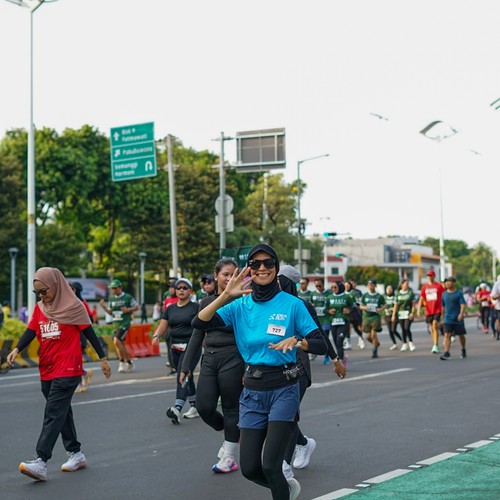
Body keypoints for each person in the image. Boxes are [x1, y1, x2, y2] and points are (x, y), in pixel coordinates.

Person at [192, 243, 328, 500]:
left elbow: (320, 343)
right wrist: (226, 295)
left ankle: (281, 490)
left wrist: (299, 341)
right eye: (255, 264)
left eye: (268, 263)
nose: (262, 268)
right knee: (250, 469)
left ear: (276, 268)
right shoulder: (240, 306)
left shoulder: (292, 304)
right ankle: (285, 490)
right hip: (253, 391)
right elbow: (199, 322)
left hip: (284, 388)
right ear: (249, 270)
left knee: (271, 466)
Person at [6, 267, 111, 482]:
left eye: (44, 291)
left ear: (55, 286)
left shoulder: (74, 306)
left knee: (53, 411)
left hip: (68, 367)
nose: (41, 296)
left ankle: (41, 461)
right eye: (37, 293)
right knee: (61, 411)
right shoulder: (40, 308)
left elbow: (89, 331)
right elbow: (31, 330)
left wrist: (103, 358)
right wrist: (17, 349)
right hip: (47, 367)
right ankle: (76, 454)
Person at [278, 265, 345, 481]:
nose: (274, 282)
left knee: (288, 415)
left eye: (279, 279)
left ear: (288, 282)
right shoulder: (270, 304)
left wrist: (335, 360)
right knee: (280, 415)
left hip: (299, 366)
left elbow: (320, 337)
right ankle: (304, 444)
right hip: (276, 367)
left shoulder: (302, 305)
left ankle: (284, 465)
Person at [180, 258, 244, 473]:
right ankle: (231, 436)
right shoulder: (206, 302)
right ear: (216, 276)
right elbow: (197, 333)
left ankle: (229, 456)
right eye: (225, 274)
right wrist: (186, 365)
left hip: (234, 357)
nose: (229, 278)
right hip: (209, 359)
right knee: (204, 407)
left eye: (233, 274)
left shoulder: (244, 300)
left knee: (230, 407)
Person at [153, 278, 201, 423]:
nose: (181, 290)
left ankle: (177, 408)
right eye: (178, 287)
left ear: (190, 291)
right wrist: (156, 335)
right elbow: (163, 325)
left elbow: (203, 324)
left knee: (182, 373)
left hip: (191, 347)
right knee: (187, 376)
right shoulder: (170, 309)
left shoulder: (196, 307)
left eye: (185, 288)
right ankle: (195, 406)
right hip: (175, 347)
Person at [99, 279, 139, 373]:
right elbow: (110, 312)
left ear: (120, 287)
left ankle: (121, 362)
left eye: (115, 288)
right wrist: (104, 307)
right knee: (121, 344)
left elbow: (136, 307)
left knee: (116, 340)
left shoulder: (128, 297)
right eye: (112, 288)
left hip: (124, 323)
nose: (113, 290)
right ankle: (129, 362)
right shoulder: (112, 299)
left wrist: (128, 310)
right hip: (116, 324)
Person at [69, 281, 94, 393]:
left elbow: (90, 320)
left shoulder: (82, 304)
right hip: (70, 336)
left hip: (80, 335)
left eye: (71, 289)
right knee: (72, 360)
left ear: (75, 290)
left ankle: (78, 382)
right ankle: (84, 373)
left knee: (76, 359)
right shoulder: (66, 303)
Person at [326, 281, 353, 367]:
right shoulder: (329, 297)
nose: (333, 289)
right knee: (336, 343)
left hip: (344, 322)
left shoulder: (346, 297)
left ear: (340, 287)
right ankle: (343, 357)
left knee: (339, 341)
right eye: (332, 287)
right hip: (333, 322)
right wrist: (329, 311)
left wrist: (349, 310)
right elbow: (325, 308)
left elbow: (354, 306)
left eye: (335, 287)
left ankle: (340, 362)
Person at [417, 269, 445, 354]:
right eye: (428, 276)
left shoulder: (438, 286)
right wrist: (418, 309)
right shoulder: (424, 287)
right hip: (428, 310)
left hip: (437, 309)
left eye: (431, 275)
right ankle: (434, 343)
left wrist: (444, 308)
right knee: (431, 328)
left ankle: (436, 345)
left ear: (434, 276)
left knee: (435, 325)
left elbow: (443, 297)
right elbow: (421, 298)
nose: (429, 277)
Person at [440, 276, 467, 360]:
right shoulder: (444, 294)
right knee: (447, 334)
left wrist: (461, 314)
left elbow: (462, 304)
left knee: (461, 336)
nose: (447, 283)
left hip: (457, 318)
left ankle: (463, 349)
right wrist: (442, 318)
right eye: (446, 282)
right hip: (447, 318)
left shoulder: (458, 293)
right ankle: (447, 353)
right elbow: (443, 307)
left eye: (449, 281)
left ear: (453, 283)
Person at [359, 279, 386, 358]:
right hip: (367, 317)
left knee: (374, 334)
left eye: (372, 285)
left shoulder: (379, 296)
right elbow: (360, 306)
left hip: (375, 317)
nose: (370, 286)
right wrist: (365, 307)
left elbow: (385, 305)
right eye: (369, 285)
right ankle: (376, 344)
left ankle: (375, 351)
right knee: (368, 337)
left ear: (375, 286)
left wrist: (380, 309)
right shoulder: (365, 295)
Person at [392, 280, 416, 352]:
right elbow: (396, 305)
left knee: (406, 328)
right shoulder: (398, 294)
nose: (407, 285)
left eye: (408, 284)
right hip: (400, 314)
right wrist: (393, 315)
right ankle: (404, 343)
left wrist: (412, 313)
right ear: (402, 285)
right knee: (403, 329)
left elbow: (413, 304)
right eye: (406, 284)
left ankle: (411, 343)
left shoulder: (410, 293)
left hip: (408, 313)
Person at [344, 280, 365, 349]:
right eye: (345, 285)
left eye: (348, 285)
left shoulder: (354, 293)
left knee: (356, 327)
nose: (346, 287)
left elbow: (358, 303)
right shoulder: (343, 294)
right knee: (347, 328)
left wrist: (350, 309)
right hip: (345, 314)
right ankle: (348, 342)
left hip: (354, 313)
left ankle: (361, 338)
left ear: (350, 286)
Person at [384, 285, 402, 350]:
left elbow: (396, 306)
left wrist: (394, 311)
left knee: (393, 330)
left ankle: (402, 340)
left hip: (394, 315)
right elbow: (382, 305)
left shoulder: (394, 297)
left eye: (390, 288)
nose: (389, 290)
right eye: (387, 288)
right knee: (390, 331)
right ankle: (394, 344)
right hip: (387, 315)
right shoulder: (384, 298)